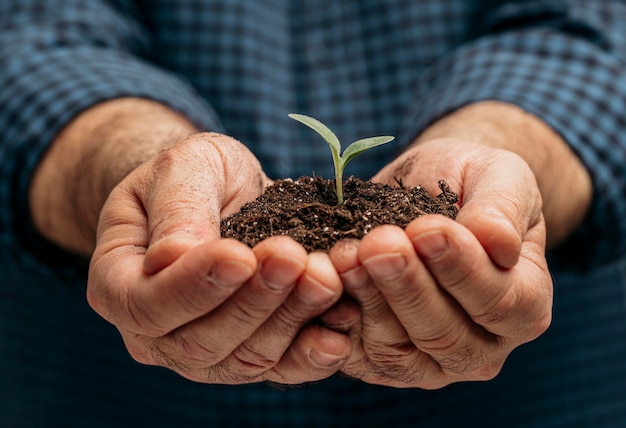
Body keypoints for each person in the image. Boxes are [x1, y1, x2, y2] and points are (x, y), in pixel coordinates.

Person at [1, 0, 624, 426]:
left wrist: (504, 153)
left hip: (535, 401)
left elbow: (594, 34)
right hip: (105, 399)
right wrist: (140, 168)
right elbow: (30, 38)